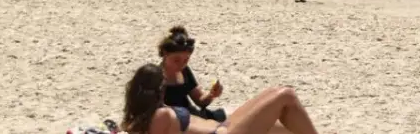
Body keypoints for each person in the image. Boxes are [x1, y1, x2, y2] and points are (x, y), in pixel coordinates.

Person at [122, 63, 321, 134]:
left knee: (276, 99)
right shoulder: (161, 115)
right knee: (285, 96)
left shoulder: (138, 120)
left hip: (224, 126)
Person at [159, 26, 226, 122]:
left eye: (186, 60)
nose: (181, 64)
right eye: (176, 60)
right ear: (165, 53)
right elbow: (157, 113)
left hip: (194, 117)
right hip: (178, 124)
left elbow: (200, 100)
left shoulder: (184, 71)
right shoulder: (157, 77)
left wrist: (212, 94)